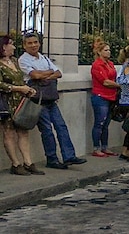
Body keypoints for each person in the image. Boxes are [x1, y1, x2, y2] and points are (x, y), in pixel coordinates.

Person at [19, 32, 87, 169]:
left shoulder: (44, 58)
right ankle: (52, 159)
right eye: (30, 43)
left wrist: (45, 75)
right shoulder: (23, 60)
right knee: (47, 130)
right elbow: (35, 75)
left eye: (35, 42)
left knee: (61, 126)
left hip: (50, 98)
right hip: (37, 101)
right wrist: (48, 73)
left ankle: (69, 156)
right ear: (24, 46)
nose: (33, 45)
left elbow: (58, 73)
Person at [0, 35, 44, 176]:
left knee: (23, 131)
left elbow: (21, 79)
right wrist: (18, 89)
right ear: (3, 47)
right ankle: (15, 163)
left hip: (20, 101)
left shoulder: (14, 61)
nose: (13, 47)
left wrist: (27, 88)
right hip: (6, 102)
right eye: (11, 44)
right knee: (9, 132)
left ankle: (28, 162)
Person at [90, 38, 120, 157]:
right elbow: (105, 81)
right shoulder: (97, 65)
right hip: (100, 96)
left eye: (109, 50)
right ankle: (96, 147)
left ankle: (104, 146)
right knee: (99, 122)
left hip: (111, 96)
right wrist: (119, 85)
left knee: (106, 124)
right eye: (106, 50)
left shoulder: (110, 64)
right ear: (99, 52)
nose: (108, 52)